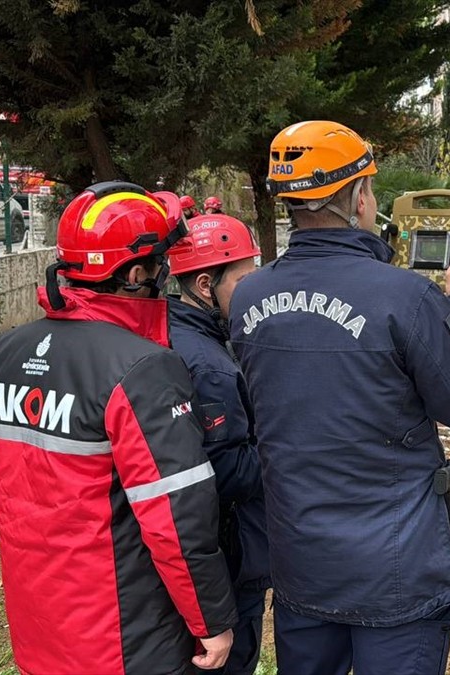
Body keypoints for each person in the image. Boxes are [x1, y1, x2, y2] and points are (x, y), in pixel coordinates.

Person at [228, 120, 450, 675]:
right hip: (395, 576)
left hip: (302, 567)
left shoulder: (249, 297)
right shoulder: (406, 297)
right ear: (358, 197)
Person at [0, 182, 237, 674]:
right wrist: (212, 620)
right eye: (161, 267)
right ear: (136, 274)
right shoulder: (143, 370)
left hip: (40, 622)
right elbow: (177, 521)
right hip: (127, 635)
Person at [167, 214, 270, 675]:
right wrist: (284, 446)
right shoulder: (211, 367)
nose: (256, 292)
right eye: (246, 281)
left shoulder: (169, 330)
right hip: (227, 562)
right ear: (206, 285)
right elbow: (225, 472)